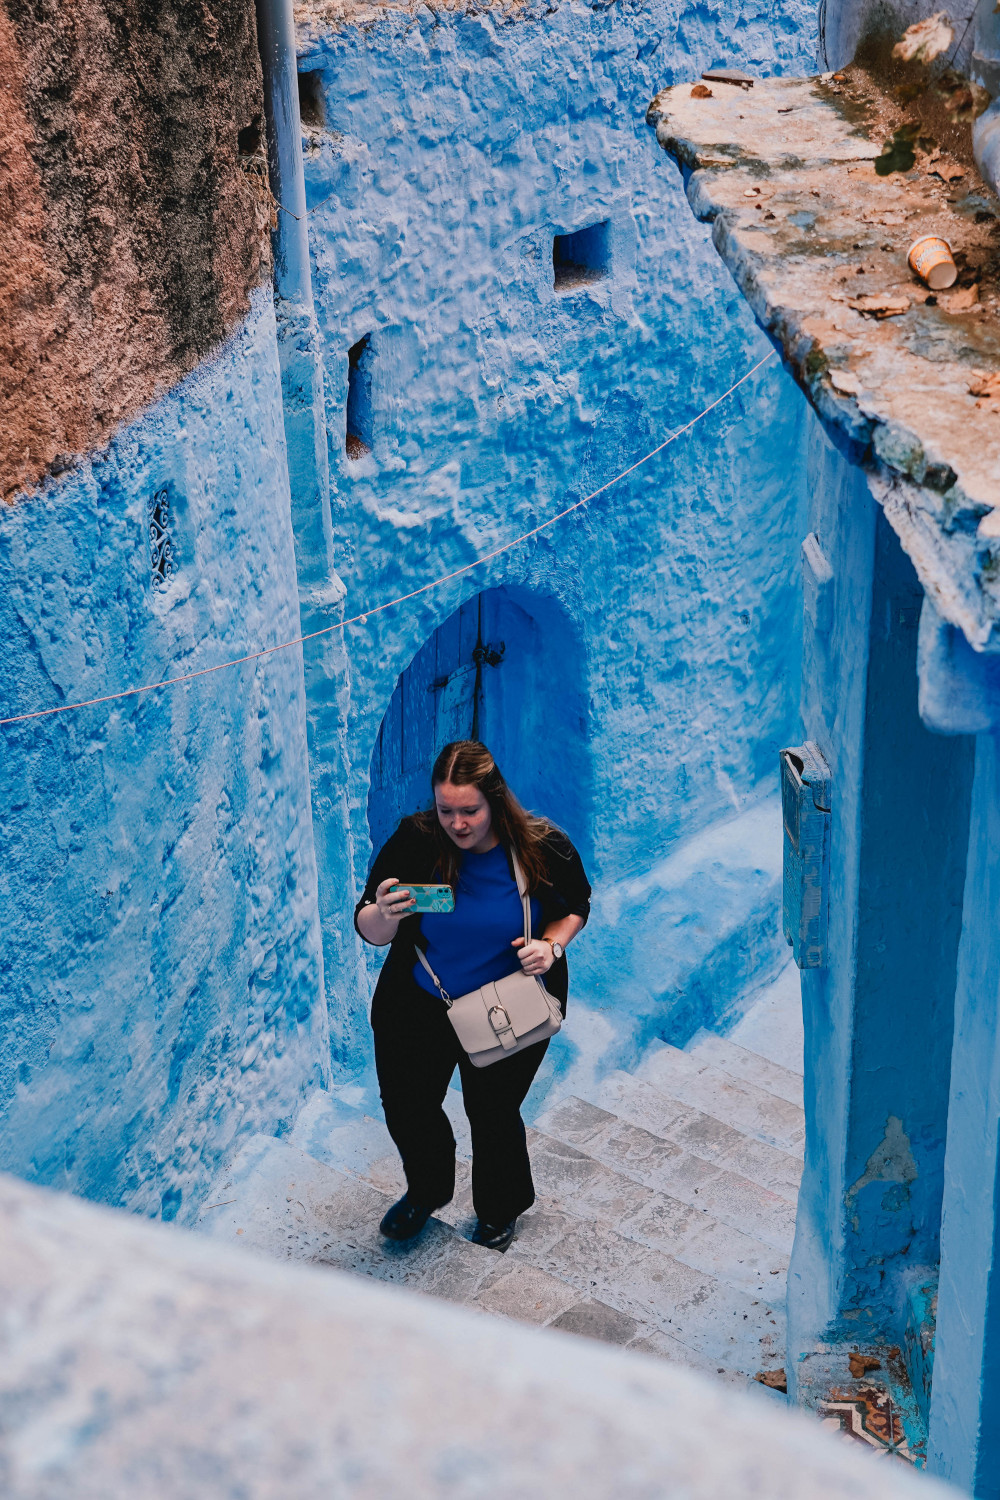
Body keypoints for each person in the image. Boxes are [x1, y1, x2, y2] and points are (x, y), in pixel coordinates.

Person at [355, 740, 591, 1252]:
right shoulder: (417, 841)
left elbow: (576, 905)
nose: (457, 824)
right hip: (418, 1002)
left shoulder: (542, 846)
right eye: (446, 811)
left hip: (507, 1004)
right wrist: (385, 913)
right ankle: (427, 1190)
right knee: (407, 1106)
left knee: (493, 1113)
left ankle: (498, 1207)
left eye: (470, 811)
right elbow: (370, 928)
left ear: (495, 800)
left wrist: (551, 948)